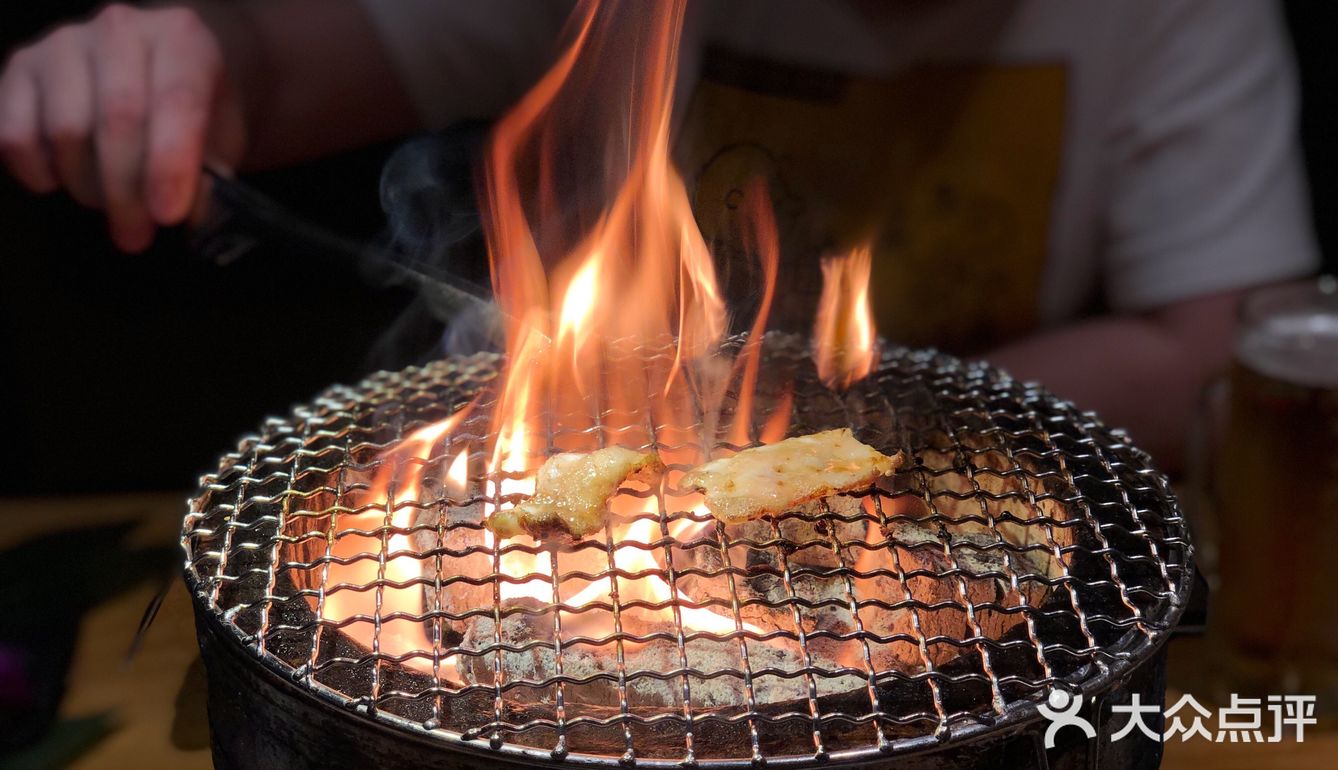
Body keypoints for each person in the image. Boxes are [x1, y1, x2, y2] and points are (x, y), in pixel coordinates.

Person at [0, 0, 1319, 470]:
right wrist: (173, 64)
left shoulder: (1175, 11)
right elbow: (269, 67)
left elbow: (1218, 348)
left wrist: (792, 413)